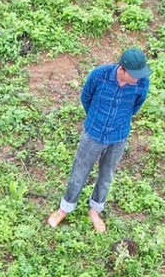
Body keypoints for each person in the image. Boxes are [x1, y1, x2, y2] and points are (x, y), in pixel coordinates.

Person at [49, 47, 150, 233]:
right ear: (122, 69)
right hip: (93, 134)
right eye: (134, 74)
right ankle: (65, 208)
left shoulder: (142, 83)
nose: (138, 78)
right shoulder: (99, 76)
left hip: (118, 136)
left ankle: (95, 210)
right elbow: (86, 97)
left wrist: (119, 122)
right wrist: (96, 119)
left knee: (106, 175)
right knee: (79, 172)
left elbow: (136, 106)